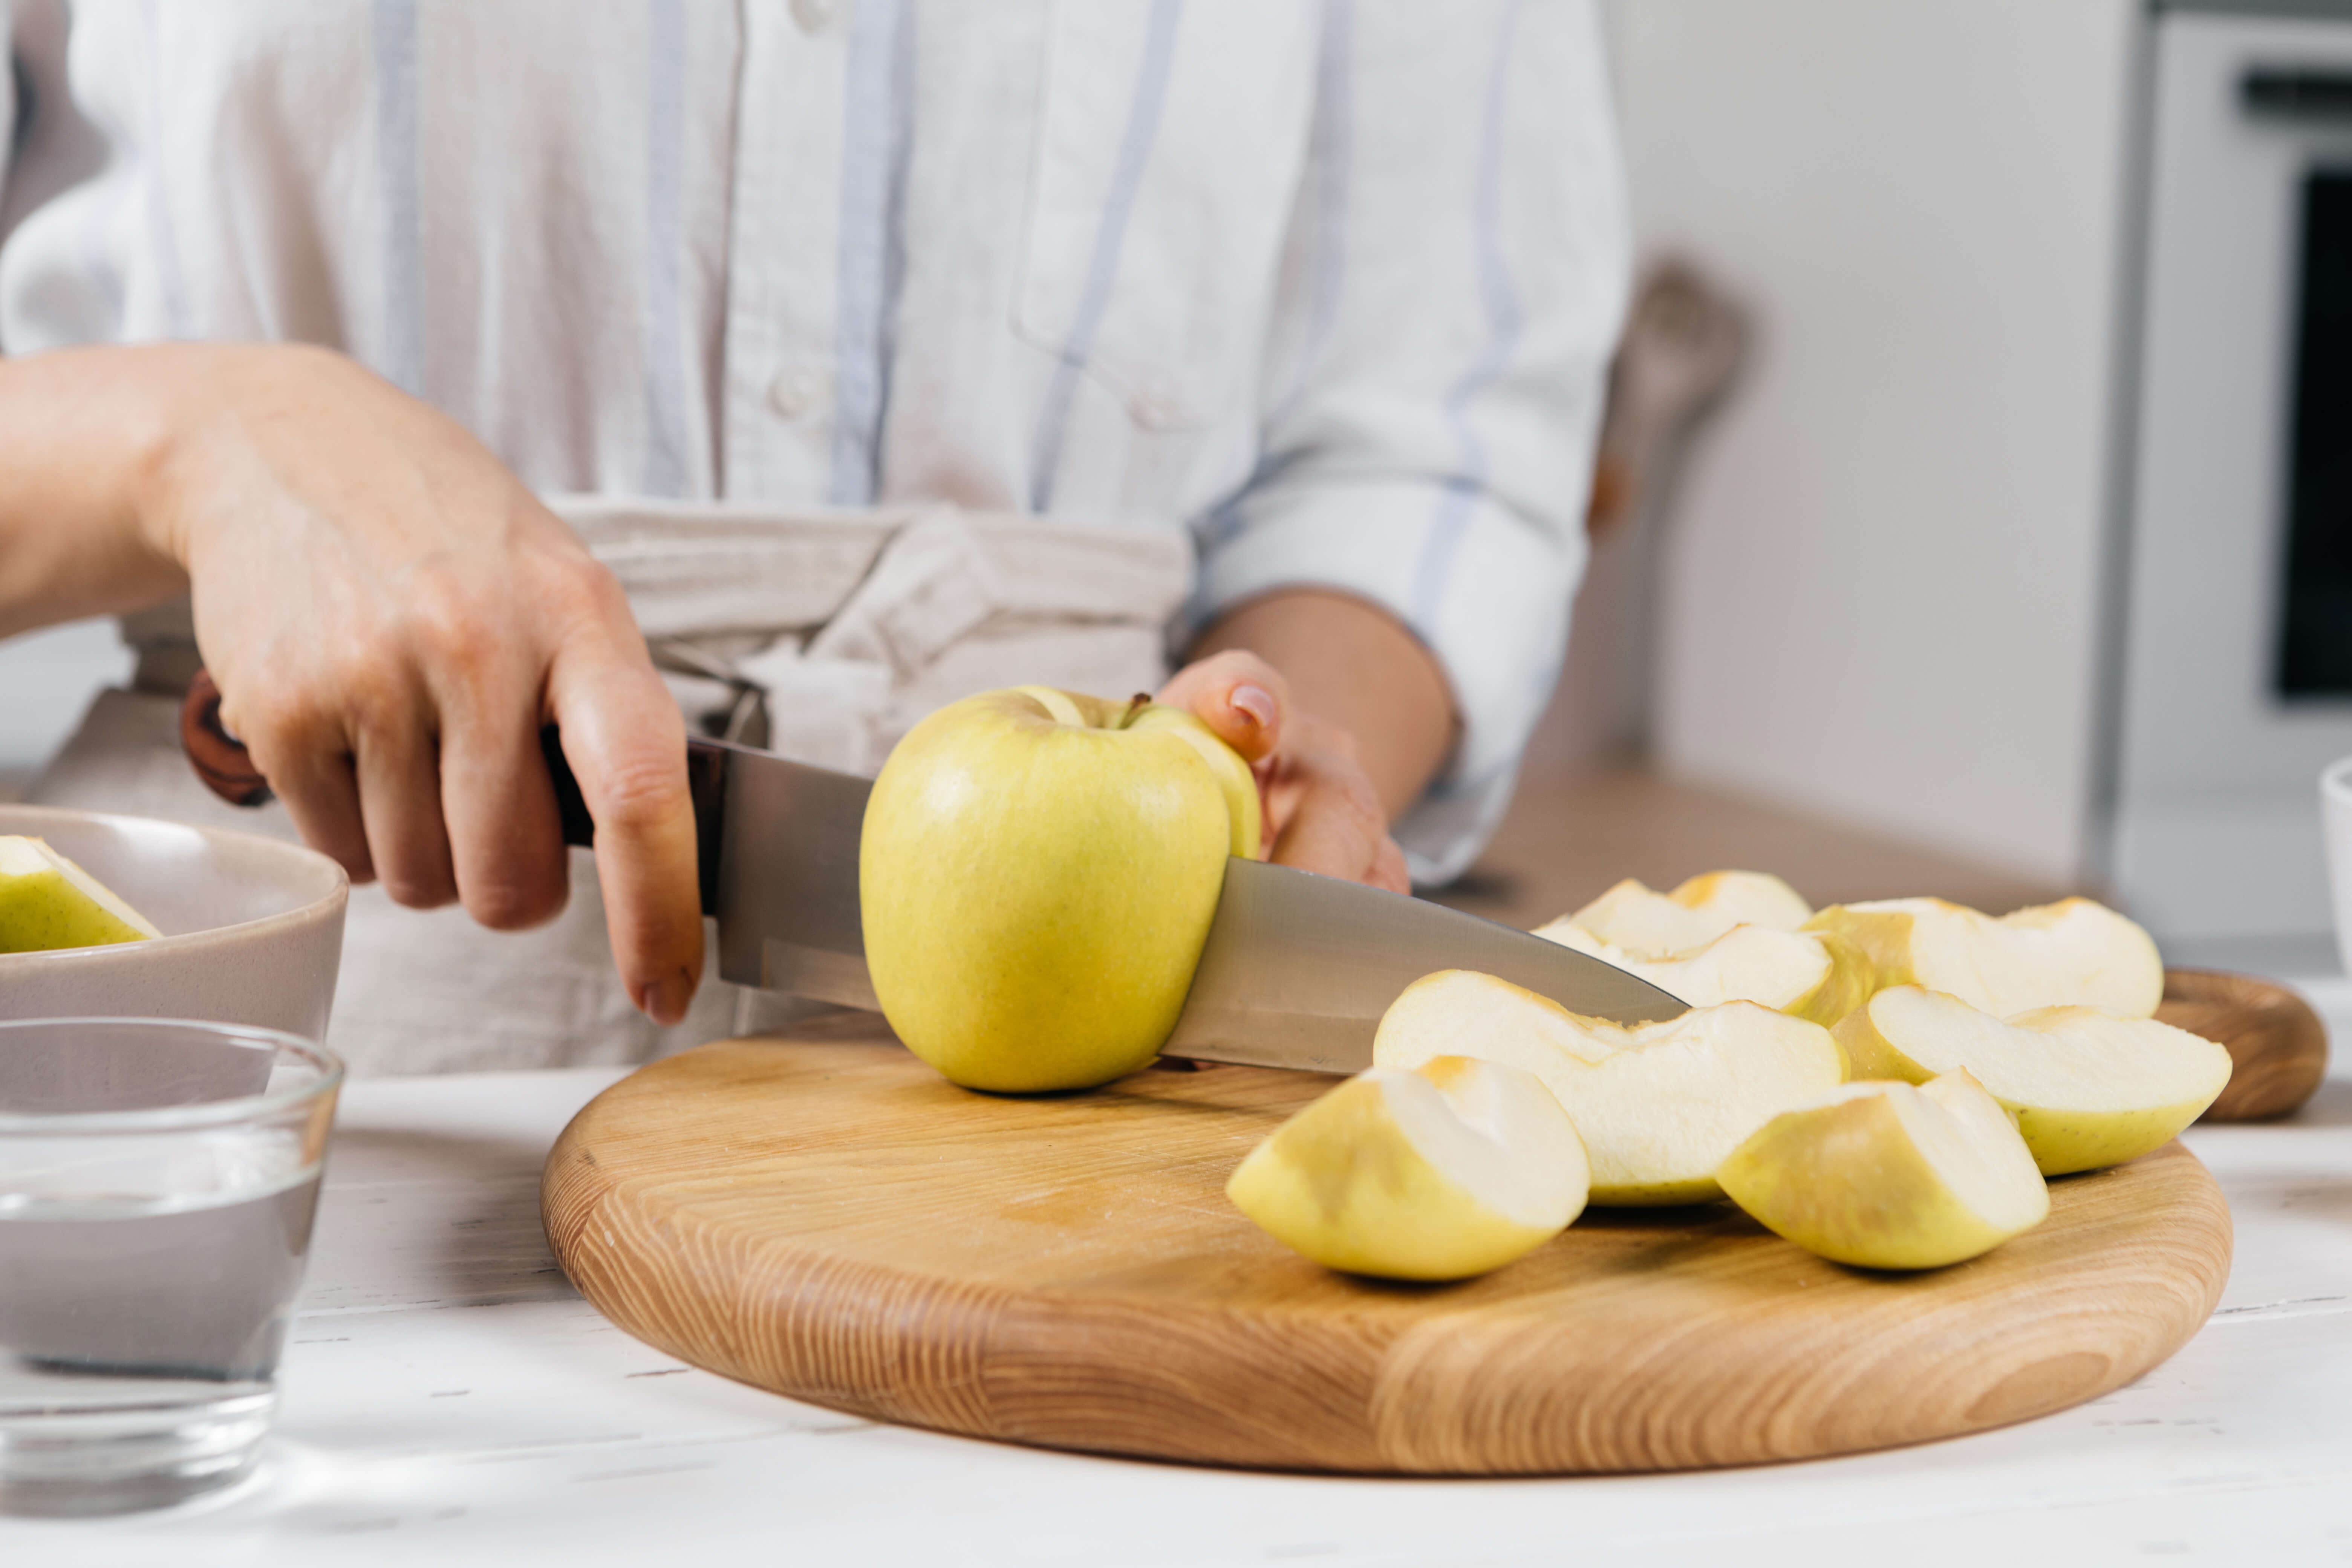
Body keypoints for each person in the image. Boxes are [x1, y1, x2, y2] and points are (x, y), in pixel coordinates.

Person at [0, 1, 1627, 1072]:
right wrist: (206, 440)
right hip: (270, 1071)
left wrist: (1295, 750)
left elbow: (1428, 445)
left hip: (1108, 1099)